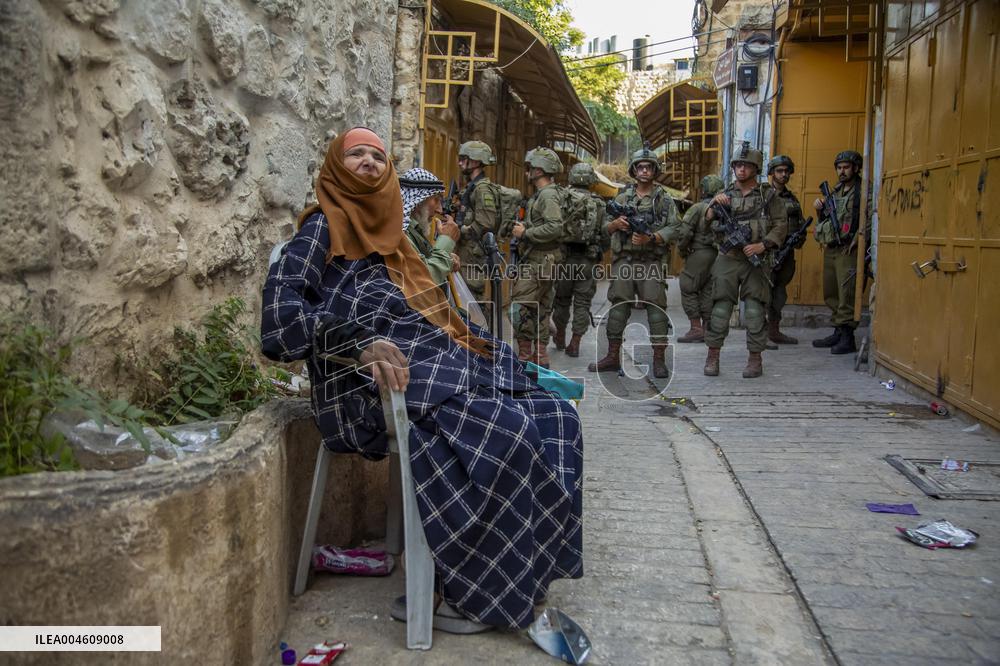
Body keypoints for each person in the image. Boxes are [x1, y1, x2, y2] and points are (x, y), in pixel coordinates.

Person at [261, 127, 583, 631]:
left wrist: (475, 346)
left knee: (555, 416)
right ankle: (469, 591)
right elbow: (279, 324)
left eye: (377, 155)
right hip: (363, 387)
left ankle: (523, 574)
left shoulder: (396, 237)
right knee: (503, 427)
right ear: (336, 167)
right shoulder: (321, 229)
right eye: (356, 154)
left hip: (432, 363)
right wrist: (354, 342)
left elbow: (432, 309)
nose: (369, 161)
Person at [588, 144, 678, 379]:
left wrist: (653, 237)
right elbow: (603, 227)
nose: (645, 171)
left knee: (656, 310)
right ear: (634, 169)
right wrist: (615, 225)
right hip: (625, 262)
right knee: (618, 308)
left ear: (654, 170)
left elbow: (676, 228)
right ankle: (611, 356)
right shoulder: (622, 197)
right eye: (641, 167)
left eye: (649, 167)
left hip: (651, 262)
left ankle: (659, 359)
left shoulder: (664, 200)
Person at [703, 142, 787, 378]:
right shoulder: (725, 194)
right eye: (738, 165)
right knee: (720, 309)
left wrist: (764, 244)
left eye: (746, 165)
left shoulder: (767, 196)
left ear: (756, 168)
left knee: (754, 311)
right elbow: (706, 221)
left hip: (755, 260)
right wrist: (713, 205)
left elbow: (781, 224)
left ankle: (755, 359)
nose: (741, 169)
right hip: (728, 258)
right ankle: (712, 356)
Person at [510, 147, 565, 368]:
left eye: (530, 168)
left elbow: (555, 227)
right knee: (541, 308)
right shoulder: (546, 194)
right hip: (544, 260)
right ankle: (540, 358)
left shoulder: (548, 195)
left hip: (540, 261)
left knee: (519, 307)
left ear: (540, 169)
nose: (527, 172)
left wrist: (526, 233)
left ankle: (525, 357)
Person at [812, 150, 866, 355]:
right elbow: (827, 217)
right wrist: (819, 208)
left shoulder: (862, 191)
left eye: (846, 167)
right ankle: (837, 330)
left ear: (855, 168)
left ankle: (847, 336)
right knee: (831, 290)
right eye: (839, 167)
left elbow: (868, 218)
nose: (842, 171)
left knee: (847, 292)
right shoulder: (836, 191)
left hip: (849, 248)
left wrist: (857, 241)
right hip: (832, 246)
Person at [552, 162, 608, 358]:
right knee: (583, 303)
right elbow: (605, 235)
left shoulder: (561, 198)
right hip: (587, 260)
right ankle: (575, 343)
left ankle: (559, 336)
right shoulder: (599, 204)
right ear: (591, 180)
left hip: (564, 259)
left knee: (561, 301)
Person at [675, 174, 724, 343]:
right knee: (708, 291)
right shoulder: (724, 209)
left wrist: (682, 250)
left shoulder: (697, 208)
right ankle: (707, 328)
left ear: (703, 189)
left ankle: (695, 328)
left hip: (699, 253)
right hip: (717, 255)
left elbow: (684, 231)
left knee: (688, 286)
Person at [765, 155, 807, 346]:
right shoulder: (763, 195)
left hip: (786, 252)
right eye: (779, 171)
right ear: (772, 173)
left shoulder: (792, 199)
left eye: (786, 171)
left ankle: (774, 330)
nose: (783, 175)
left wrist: (798, 238)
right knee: (762, 292)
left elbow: (799, 224)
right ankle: (759, 333)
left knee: (779, 293)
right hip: (766, 252)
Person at [399, 167, 461, 289]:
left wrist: (447, 258)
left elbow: (422, 262)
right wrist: (446, 241)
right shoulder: (400, 233)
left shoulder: (413, 230)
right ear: (418, 200)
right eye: (436, 200)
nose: (439, 210)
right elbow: (425, 281)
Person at [454, 141, 499, 306]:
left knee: (473, 301)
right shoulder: (473, 187)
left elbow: (486, 222)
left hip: (473, 254)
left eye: (463, 159)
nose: (460, 163)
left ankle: (479, 331)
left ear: (475, 161)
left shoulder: (482, 189)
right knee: (463, 298)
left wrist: (461, 230)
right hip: (466, 252)